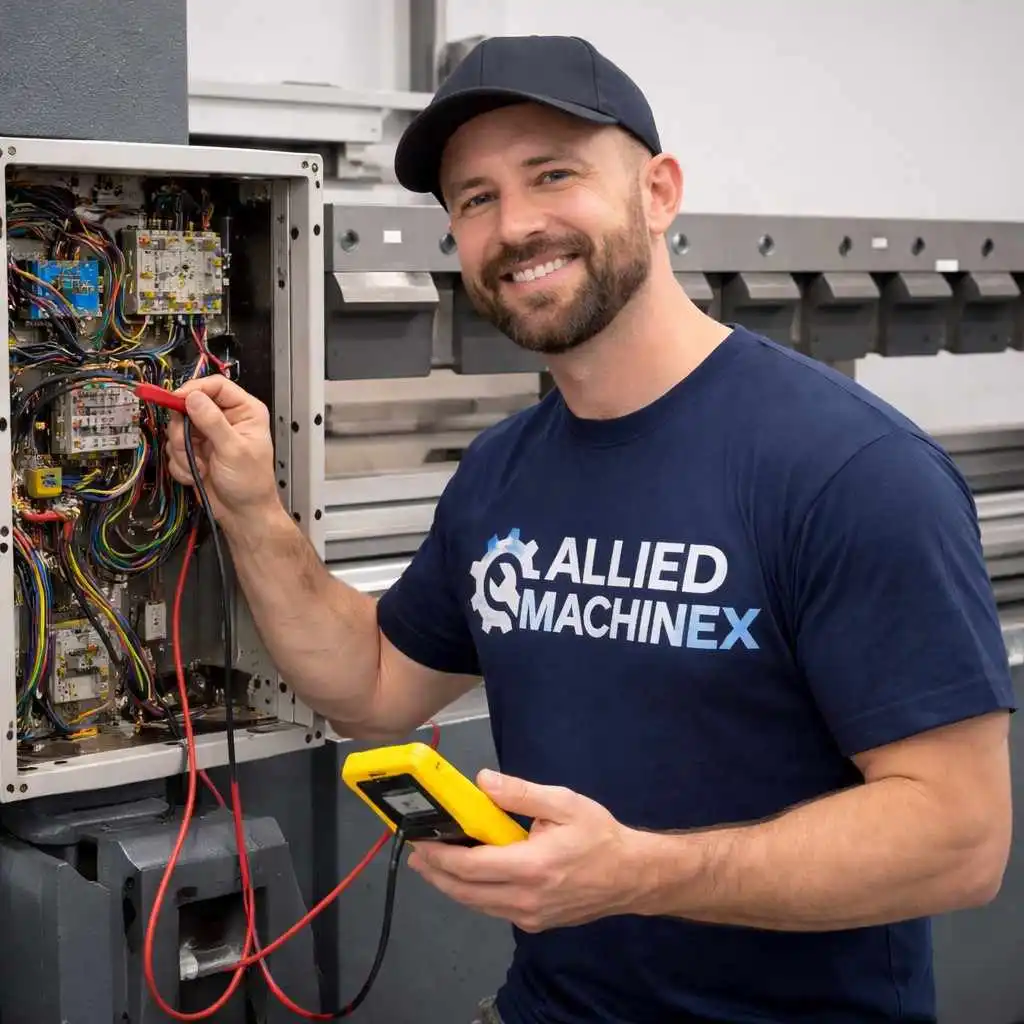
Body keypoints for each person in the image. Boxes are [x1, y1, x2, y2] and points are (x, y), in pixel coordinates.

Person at [165, 34, 1015, 1024]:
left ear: (658, 192)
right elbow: (374, 684)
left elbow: (957, 837)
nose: (515, 225)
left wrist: (636, 874)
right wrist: (253, 508)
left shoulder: (845, 470)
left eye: (552, 174)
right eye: (474, 199)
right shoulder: (500, 473)